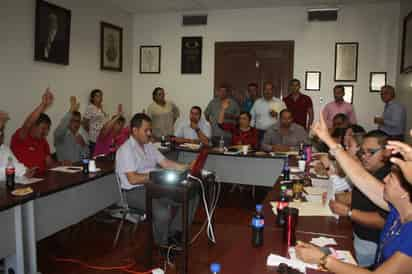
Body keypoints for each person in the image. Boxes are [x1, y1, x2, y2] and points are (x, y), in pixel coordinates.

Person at [296, 111, 412, 273]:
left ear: (405, 192)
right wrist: (328, 140)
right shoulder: (397, 210)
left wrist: (323, 259)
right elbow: (361, 177)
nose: (385, 180)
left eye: (391, 178)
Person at [115, 113, 199, 248]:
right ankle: (163, 246)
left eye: (150, 130)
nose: (149, 133)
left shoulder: (149, 146)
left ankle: (174, 233)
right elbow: (133, 179)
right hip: (133, 192)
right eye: (146, 130)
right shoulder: (125, 150)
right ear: (135, 131)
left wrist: (187, 167)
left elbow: (165, 163)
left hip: (155, 186)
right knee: (162, 213)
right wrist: (156, 176)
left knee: (191, 196)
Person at [329, 130, 391, 267]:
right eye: (363, 152)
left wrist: (349, 213)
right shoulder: (370, 171)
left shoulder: (389, 178)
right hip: (355, 232)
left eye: (371, 152)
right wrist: (335, 197)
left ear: (386, 152)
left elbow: (383, 220)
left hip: (369, 242)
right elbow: (354, 197)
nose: (365, 156)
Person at [11, 89, 57, 175]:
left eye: (48, 129)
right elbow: (28, 123)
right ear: (34, 126)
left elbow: (50, 164)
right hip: (24, 181)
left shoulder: (43, 141)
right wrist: (43, 105)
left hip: (43, 181)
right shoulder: (21, 136)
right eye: (43, 128)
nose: (46, 132)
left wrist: (62, 164)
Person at [0, 111, 35, 181]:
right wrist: (21, 171)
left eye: (2, 131)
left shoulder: (4, 148)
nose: (2, 134)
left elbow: (14, 164)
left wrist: (26, 171)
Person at [54, 96, 89, 162]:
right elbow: (62, 125)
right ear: (68, 122)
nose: (77, 123)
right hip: (65, 170)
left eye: (78, 121)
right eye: (73, 120)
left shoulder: (79, 136)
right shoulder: (60, 135)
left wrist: (83, 145)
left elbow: (86, 156)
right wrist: (71, 110)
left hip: (80, 168)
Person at [83, 89, 108, 155]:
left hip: (102, 137)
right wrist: (91, 131)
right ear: (92, 98)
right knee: (95, 158)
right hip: (94, 139)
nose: (100, 98)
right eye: (97, 96)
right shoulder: (90, 108)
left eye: (100, 96)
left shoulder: (100, 108)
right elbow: (84, 122)